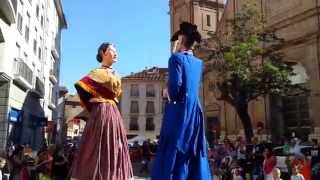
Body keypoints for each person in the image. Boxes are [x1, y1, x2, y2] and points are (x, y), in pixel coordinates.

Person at [151, 22, 211, 180]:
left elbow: (175, 90)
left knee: (174, 148)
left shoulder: (175, 59)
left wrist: (166, 93)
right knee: (192, 150)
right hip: (195, 110)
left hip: (179, 111)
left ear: (182, 38)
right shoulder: (199, 63)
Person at [71, 42, 133, 180]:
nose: (116, 53)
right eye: (112, 50)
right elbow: (80, 85)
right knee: (97, 143)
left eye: (116, 50)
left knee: (115, 143)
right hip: (101, 112)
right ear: (103, 53)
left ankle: (113, 174)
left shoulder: (117, 74)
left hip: (113, 112)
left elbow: (116, 94)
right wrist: (92, 101)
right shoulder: (96, 73)